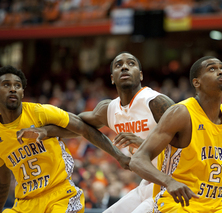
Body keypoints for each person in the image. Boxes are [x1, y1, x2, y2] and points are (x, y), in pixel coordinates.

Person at [19, 52, 175, 213]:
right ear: (112, 78)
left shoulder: (156, 102)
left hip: (173, 181)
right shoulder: (109, 109)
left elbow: (188, 144)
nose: (125, 67)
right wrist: (45, 131)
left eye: (131, 63)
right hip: (148, 182)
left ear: (141, 75)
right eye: (118, 65)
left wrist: (143, 145)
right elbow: (79, 126)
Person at [0, 66, 130, 213]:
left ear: (22, 92)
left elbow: (83, 128)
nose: (13, 89)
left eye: (17, 85)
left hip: (59, 196)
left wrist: (119, 156)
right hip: (25, 204)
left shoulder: (39, 112)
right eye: (6, 85)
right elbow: (3, 179)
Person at [130, 56, 222, 212]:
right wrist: (169, 182)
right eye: (212, 69)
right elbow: (137, 160)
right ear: (196, 82)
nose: (220, 72)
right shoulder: (181, 113)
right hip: (178, 204)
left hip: (214, 206)